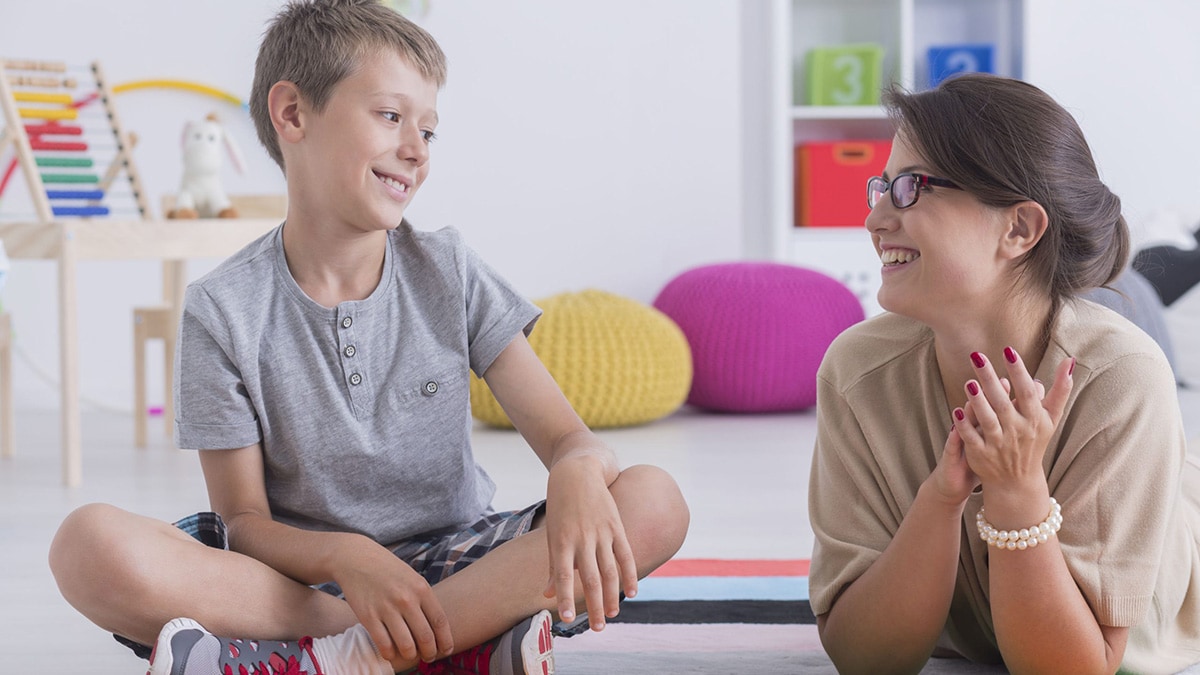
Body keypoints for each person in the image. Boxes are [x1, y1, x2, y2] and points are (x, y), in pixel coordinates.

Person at [47, 1, 689, 673]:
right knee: (86, 543)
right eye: (390, 116)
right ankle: (423, 642)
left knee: (652, 500)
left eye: (429, 131)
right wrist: (344, 558)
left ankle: (336, 656)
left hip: (457, 557)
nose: (415, 149)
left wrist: (580, 473)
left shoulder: (450, 270)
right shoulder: (222, 309)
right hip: (301, 581)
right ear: (292, 113)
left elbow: (567, 437)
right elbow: (244, 521)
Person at [808, 73, 1200, 674]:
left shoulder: (1121, 377)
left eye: (910, 188)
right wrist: (942, 499)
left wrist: (1017, 492)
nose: (875, 219)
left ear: (1018, 228)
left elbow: (1072, 667)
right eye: (881, 187)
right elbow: (868, 660)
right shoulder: (857, 372)